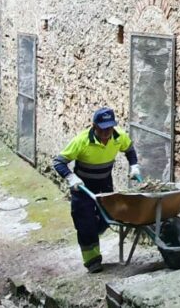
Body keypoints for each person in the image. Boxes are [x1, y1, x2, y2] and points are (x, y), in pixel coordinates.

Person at [52, 107, 144, 273]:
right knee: (85, 222)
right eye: (102, 129)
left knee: (108, 216)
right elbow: (59, 162)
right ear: (94, 126)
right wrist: (71, 178)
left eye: (109, 128)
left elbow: (129, 150)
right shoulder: (81, 141)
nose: (106, 133)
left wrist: (134, 166)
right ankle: (92, 260)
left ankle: (96, 230)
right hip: (82, 186)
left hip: (104, 183)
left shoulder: (119, 136)